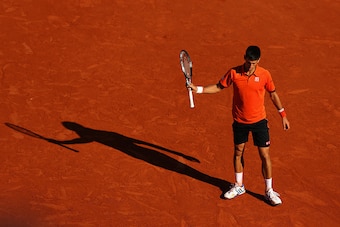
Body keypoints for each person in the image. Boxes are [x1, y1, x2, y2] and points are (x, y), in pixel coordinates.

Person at [188, 45, 290, 206]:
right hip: (240, 122)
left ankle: (269, 190)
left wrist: (282, 114)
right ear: (244, 58)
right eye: (249, 62)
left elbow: (273, 93)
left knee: (264, 155)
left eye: (254, 63)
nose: (250, 66)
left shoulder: (265, 75)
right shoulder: (234, 73)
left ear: (259, 61)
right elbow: (218, 87)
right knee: (238, 152)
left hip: (259, 122)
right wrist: (198, 89)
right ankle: (238, 186)